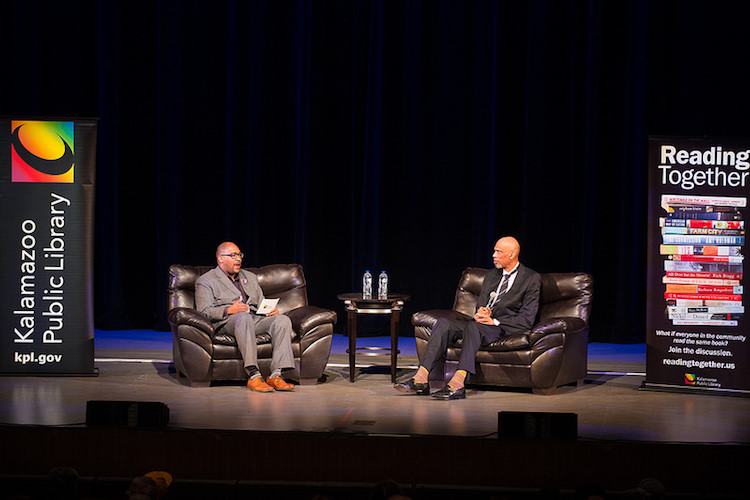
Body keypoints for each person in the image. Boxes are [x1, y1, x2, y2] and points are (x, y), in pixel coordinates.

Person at [395, 236, 541, 400]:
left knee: (474, 327)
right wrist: (482, 312)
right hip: (480, 325)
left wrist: (494, 321)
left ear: (512, 254)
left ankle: (458, 383)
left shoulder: (531, 279)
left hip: (503, 328)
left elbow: (527, 320)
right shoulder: (492, 275)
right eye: (494, 251)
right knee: (444, 323)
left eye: (498, 252)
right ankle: (421, 377)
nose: (493, 255)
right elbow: (482, 304)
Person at [195, 241, 296, 392]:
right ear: (220, 258)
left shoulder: (250, 277)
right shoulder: (206, 281)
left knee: (282, 320)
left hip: (254, 319)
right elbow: (203, 310)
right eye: (233, 255)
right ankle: (254, 376)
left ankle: (276, 375)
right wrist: (229, 309)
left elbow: (261, 302)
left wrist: (270, 311)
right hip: (227, 322)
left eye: (239, 255)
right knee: (243, 317)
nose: (238, 259)